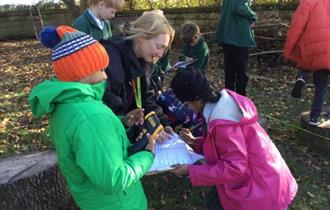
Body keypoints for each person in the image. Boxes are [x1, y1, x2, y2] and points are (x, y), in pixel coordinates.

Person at [29, 26, 155, 210]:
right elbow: (114, 180)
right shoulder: (91, 117)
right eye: (101, 68)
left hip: (94, 200)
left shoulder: (66, 105)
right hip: (119, 204)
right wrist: (147, 155)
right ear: (81, 71)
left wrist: (120, 122)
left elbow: (84, 141)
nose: (105, 75)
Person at [170, 70, 298, 210]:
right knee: (214, 202)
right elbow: (221, 147)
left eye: (186, 104)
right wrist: (196, 142)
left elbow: (234, 167)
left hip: (260, 187)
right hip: (258, 177)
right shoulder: (217, 107)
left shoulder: (223, 124)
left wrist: (191, 171)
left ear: (196, 98)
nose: (188, 109)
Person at [100, 9, 175, 141]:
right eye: (159, 46)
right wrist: (142, 130)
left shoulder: (145, 59)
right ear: (142, 37)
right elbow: (111, 108)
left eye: (164, 48)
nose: (161, 54)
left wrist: (161, 124)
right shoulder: (111, 56)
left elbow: (147, 97)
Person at [284, 0, 330, 126]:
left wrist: (288, 49)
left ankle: (314, 118)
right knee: (322, 83)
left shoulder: (308, 2)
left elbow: (296, 27)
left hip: (314, 46)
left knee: (319, 82)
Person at [214, 0, 257, 96]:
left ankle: (229, 98)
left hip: (227, 36)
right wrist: (253, 16)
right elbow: (239, 7)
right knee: (242, 73)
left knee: (229, 71)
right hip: (239, 38)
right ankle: (240, 98)